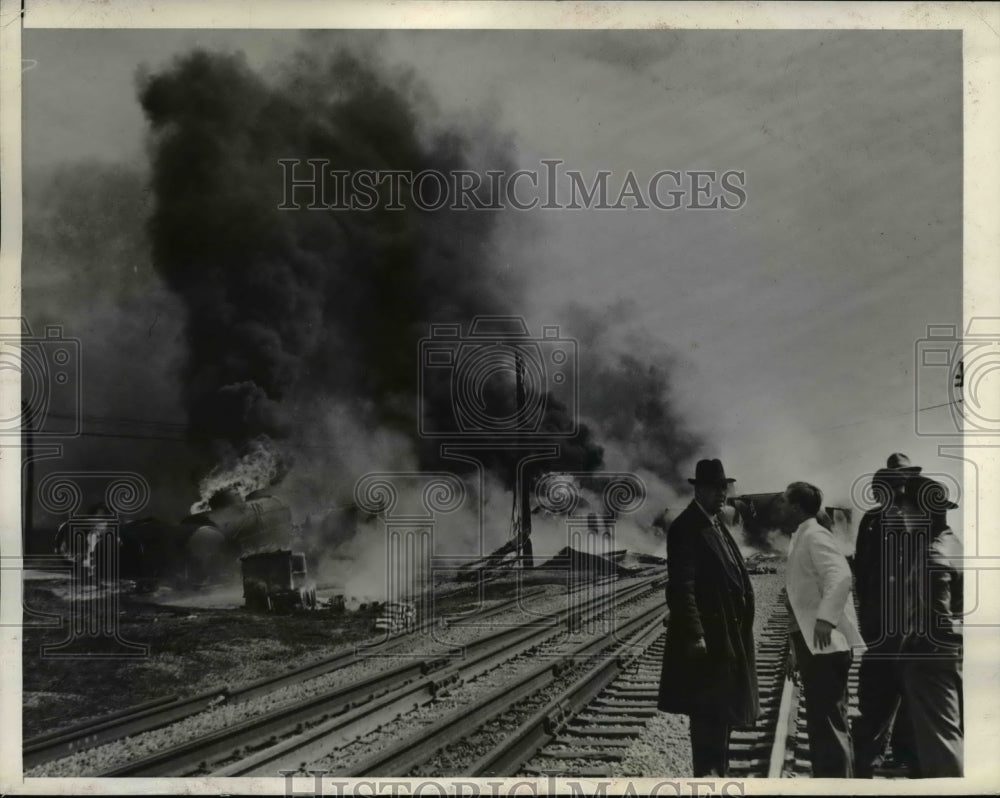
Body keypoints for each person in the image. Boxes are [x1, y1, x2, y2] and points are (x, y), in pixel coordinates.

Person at [658, 459, 758, 776]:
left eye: (723, 488)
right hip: (709, 641)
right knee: (707, 717)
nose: (722, 494)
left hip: (727, 636)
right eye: (715, 489)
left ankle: (719, 775)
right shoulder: (686, 528)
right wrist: (695, 634)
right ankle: (708, 781)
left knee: (723, 714)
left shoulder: (715, 523)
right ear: (699, 490)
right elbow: (682, 588)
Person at [776, 481, 864, 777]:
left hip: (827, 646)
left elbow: (840, 576)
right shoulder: (803, 536)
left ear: (797, 507)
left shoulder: (814, 536)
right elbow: (800, 598)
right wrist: (794, 648)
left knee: (827, 725)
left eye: (784, 502)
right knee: (823, 723)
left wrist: (826, 619)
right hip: (815, 645)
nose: (780, 507)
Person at [852, 453, 921, 776]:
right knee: (885, 695)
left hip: (894, 626)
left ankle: (886, 759)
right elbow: (864, 571)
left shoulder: (902, 518)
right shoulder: (881, 520)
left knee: (889, 696)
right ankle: (877, 760)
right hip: (890, 625)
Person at [897, 475, 963, 777]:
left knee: (941, 748)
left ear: (921, 511)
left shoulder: (932, 555)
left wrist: (916, 656)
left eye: (905, 508)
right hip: (948, 658)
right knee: (946, 738)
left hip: (931, 662)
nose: (901, 514)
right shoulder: (952, 542)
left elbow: (938, 623)